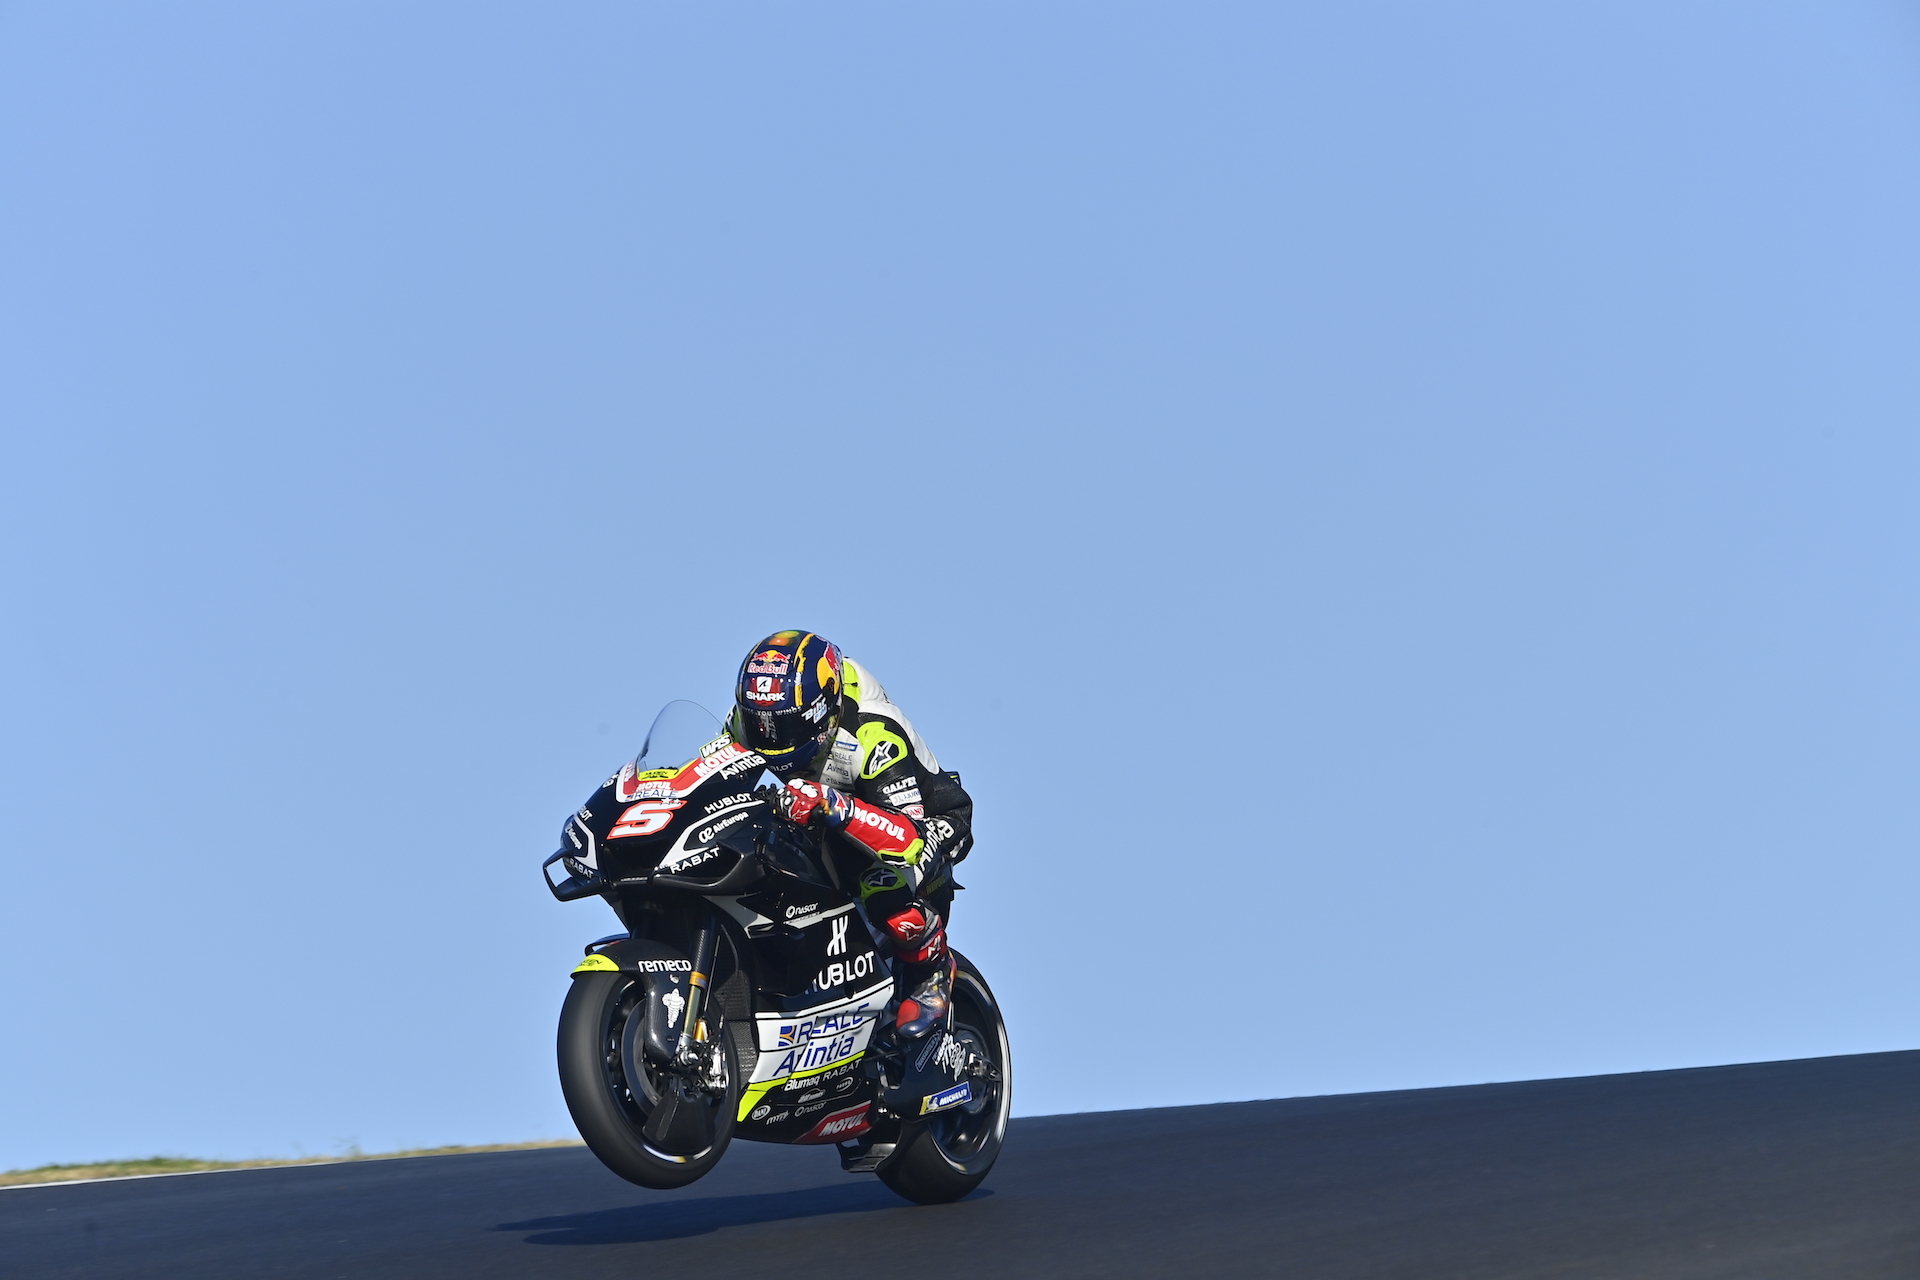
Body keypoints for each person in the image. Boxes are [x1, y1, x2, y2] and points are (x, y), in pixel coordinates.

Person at [728, 630, 973, 1041]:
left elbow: (907, 838)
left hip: (927, 823)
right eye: (759, 724)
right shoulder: (746, 722)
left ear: (822, 713)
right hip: (821, 819)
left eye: (784, 726)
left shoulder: (872, 733)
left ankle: (930, 970)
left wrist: (835, 805)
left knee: (884, 883)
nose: (769, 738)